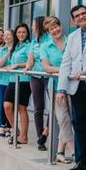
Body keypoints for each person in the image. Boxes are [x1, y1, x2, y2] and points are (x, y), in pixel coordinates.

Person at [57, 5, 86, 170]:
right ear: (73, 20)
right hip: (76, 86)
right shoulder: (73, 37)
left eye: (84, 13)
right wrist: (61, 88)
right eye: (77, 15)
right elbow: (66, 63)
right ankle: (80, 161)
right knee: (79, 123)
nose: (81, 17)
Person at [41, 17, 74, 163]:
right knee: (62, 118)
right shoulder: (45, 46)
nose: (55, 30)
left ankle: (60, 152)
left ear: (61, 26)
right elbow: (47, 68)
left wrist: (64, 71)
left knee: (70, 119)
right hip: (54, 86)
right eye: (51, 29)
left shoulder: (71, 41)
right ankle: (75, 151)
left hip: (73, 85)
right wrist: (65, 70)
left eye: (56, 27)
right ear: (48, 32)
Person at [3, 23, 31, 144]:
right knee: (7, 106)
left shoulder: (29, 46)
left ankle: (24, 137)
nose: (21, 34)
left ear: (27, 33)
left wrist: (17, 65)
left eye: (23, 32)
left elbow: (31, 62)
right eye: (19, 32)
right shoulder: (15, 47)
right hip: (12, 80)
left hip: (24, 80)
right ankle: (17, 131)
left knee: (21, 108)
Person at [26, 16, 51, 151]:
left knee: (53, 107)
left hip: (48, 76)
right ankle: (39, 139)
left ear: (39, 25)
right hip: (35, 76)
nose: (32, 27)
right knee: (38, 107)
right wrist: (27, 67)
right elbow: (31, 59)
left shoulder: (49, 38)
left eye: (33, 24)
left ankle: (45, 132)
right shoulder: (34, 41)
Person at [0, 29, 15, 137]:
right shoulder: (1, 49)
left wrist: (7, 67)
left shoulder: (17, 48)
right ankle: (3, 125)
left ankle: (9, 126)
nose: (6, 37)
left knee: (12, 106)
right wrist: (8, 52)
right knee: (4, 104)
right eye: (5, 35)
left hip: (13, 80)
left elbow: (15, 65)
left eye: (8, 35)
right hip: (3, 81)